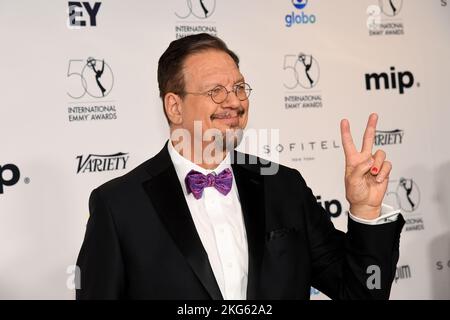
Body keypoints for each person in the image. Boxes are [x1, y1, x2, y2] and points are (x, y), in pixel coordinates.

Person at [75, 33, 404, 300]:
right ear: (174, 106)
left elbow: (362, 293)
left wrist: (365, 210)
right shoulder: (119, 204)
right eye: (215, 91)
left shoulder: (284, 186)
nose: (234, 101)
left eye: (239, 88)